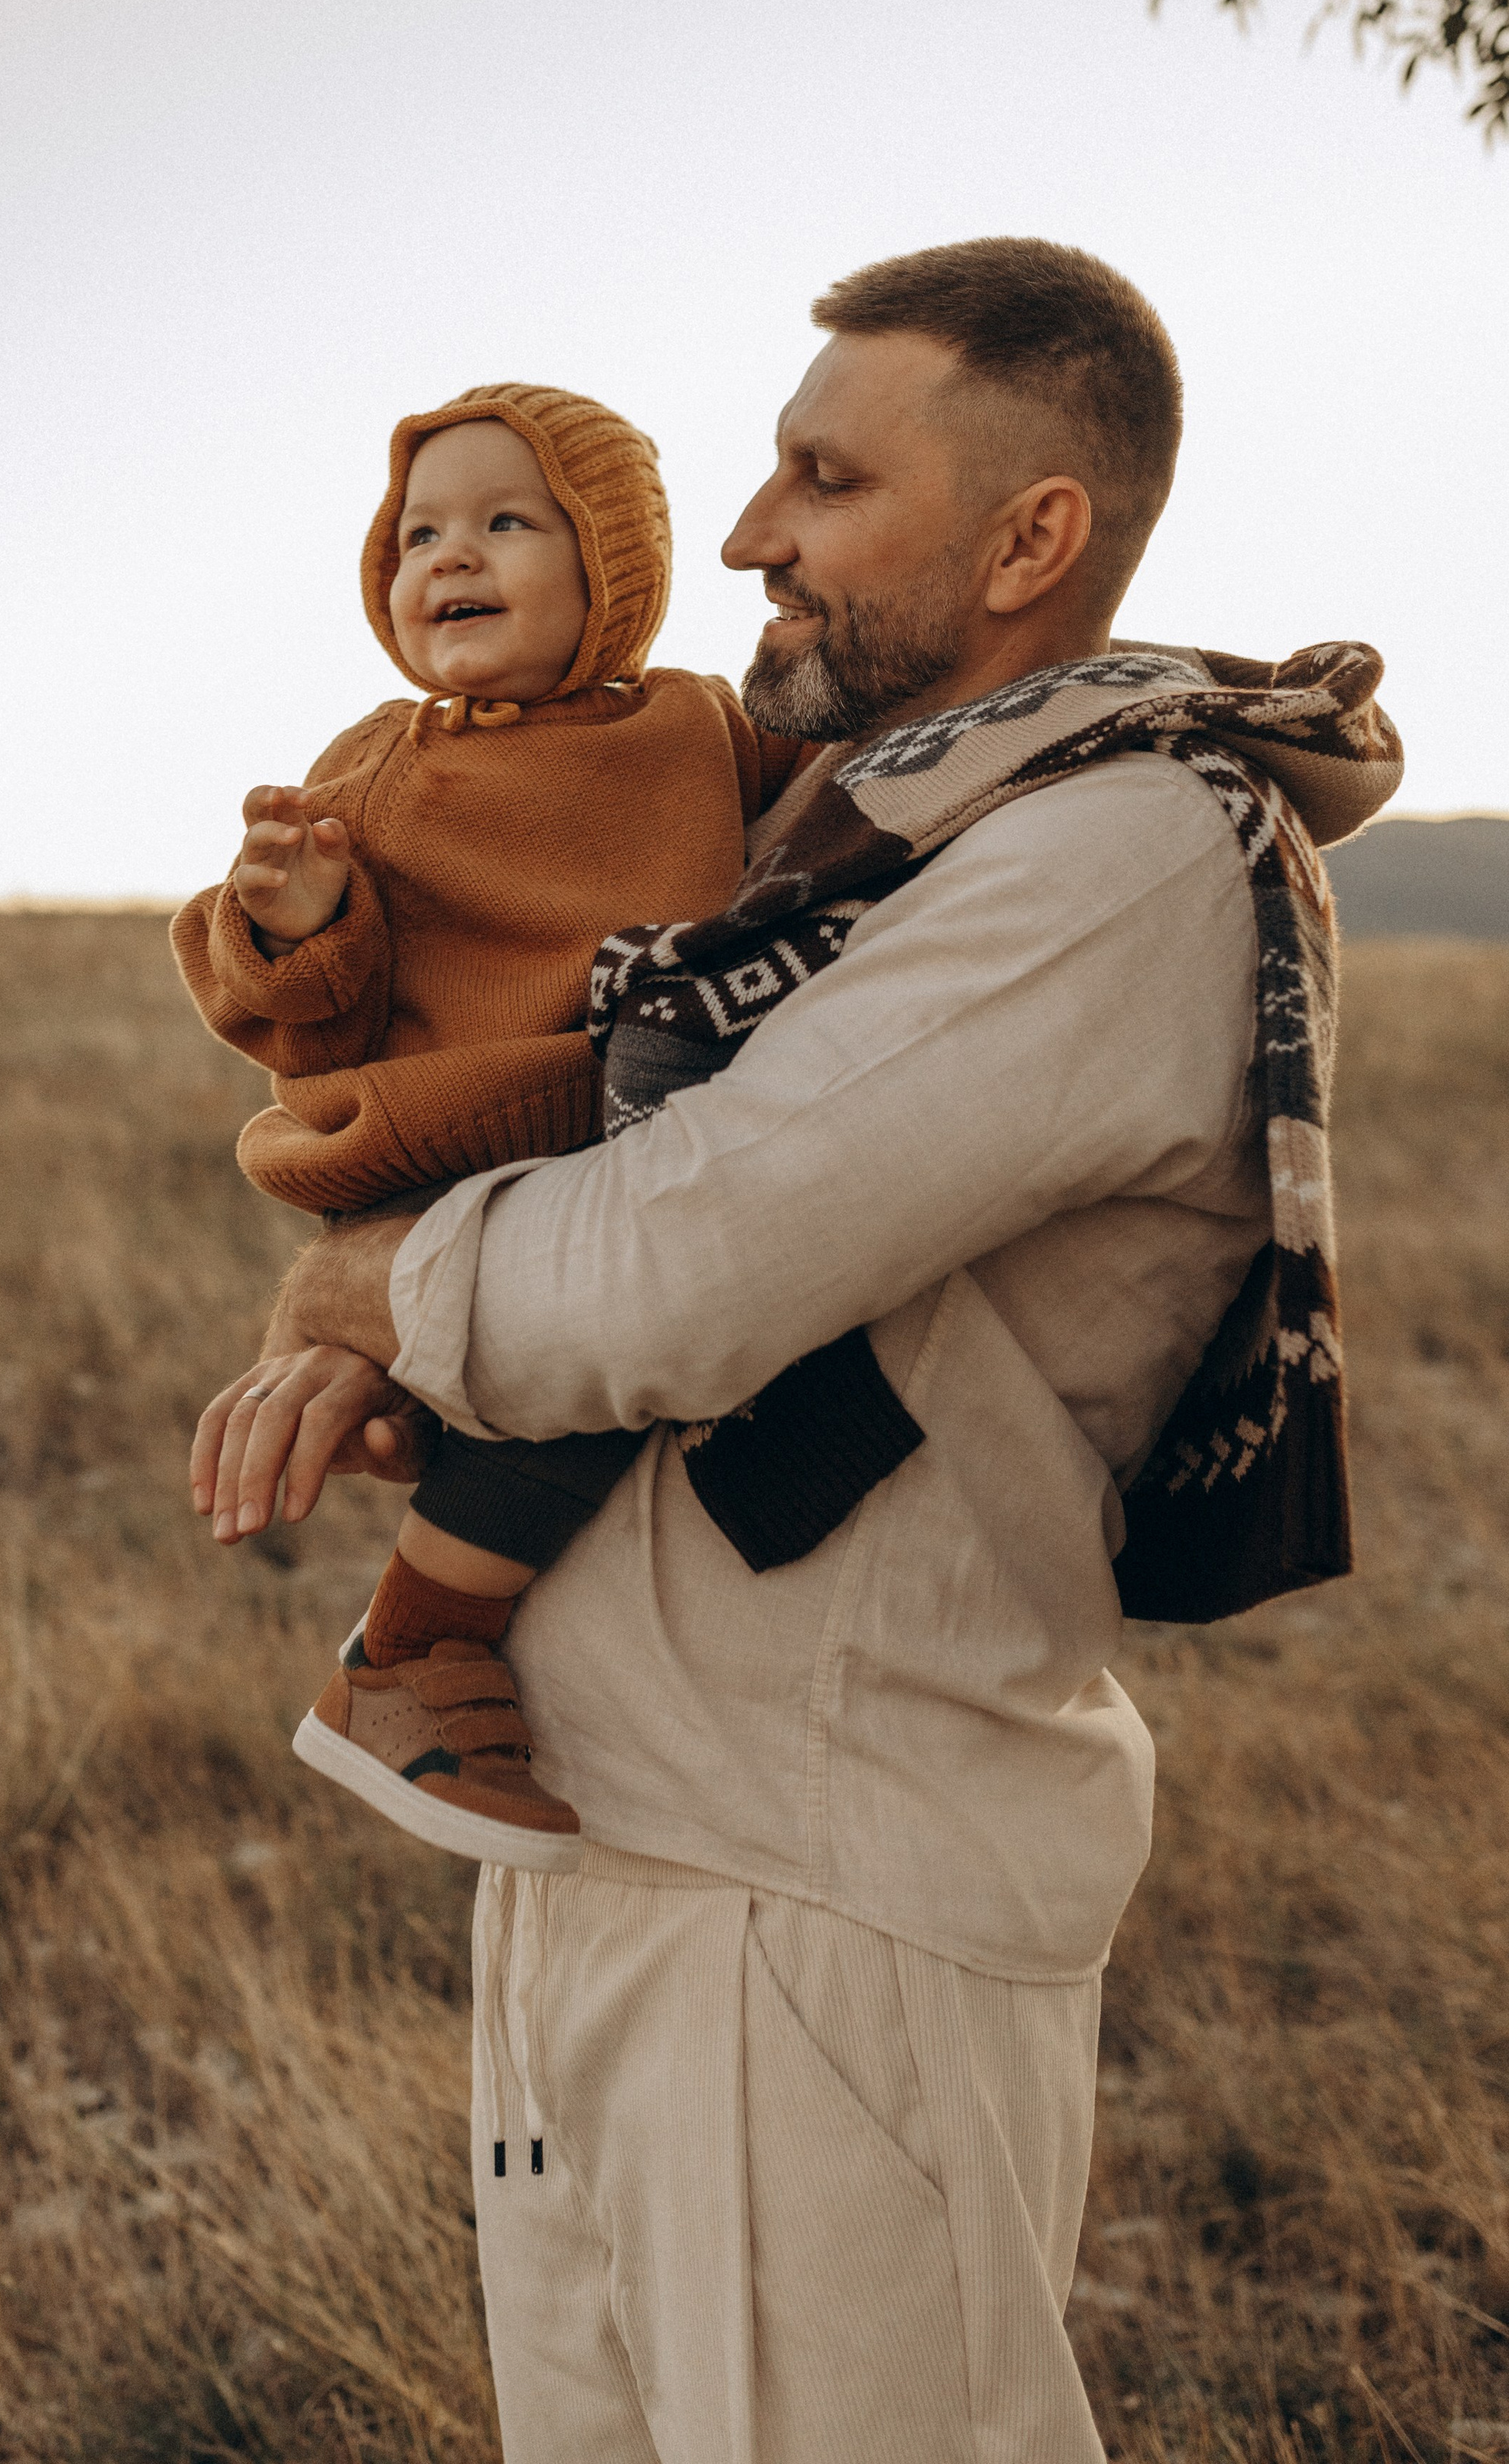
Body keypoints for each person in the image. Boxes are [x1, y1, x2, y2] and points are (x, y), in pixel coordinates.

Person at [190, 238, 1402, 2463]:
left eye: (823, 480)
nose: (748, 534)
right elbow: (589, 1153)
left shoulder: (1128, 844)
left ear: (1033, 535)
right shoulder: (859, 846)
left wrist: (378, 1291)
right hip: (608, 1836)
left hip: (823, 1889)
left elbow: (680, 1263)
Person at [171, 380, 809, 1869]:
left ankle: (436, 1481)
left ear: (615, 566)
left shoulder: (699, 727)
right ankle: (406, 1654)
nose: (445, 557)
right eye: (415, 534)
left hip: (613, 1132)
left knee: (606, 1362)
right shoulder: (381, 765)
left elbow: (880, 773)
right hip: (443, 1144)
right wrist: (296, 918)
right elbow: (307, 1019)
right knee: (582, 1379)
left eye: (505, 523)